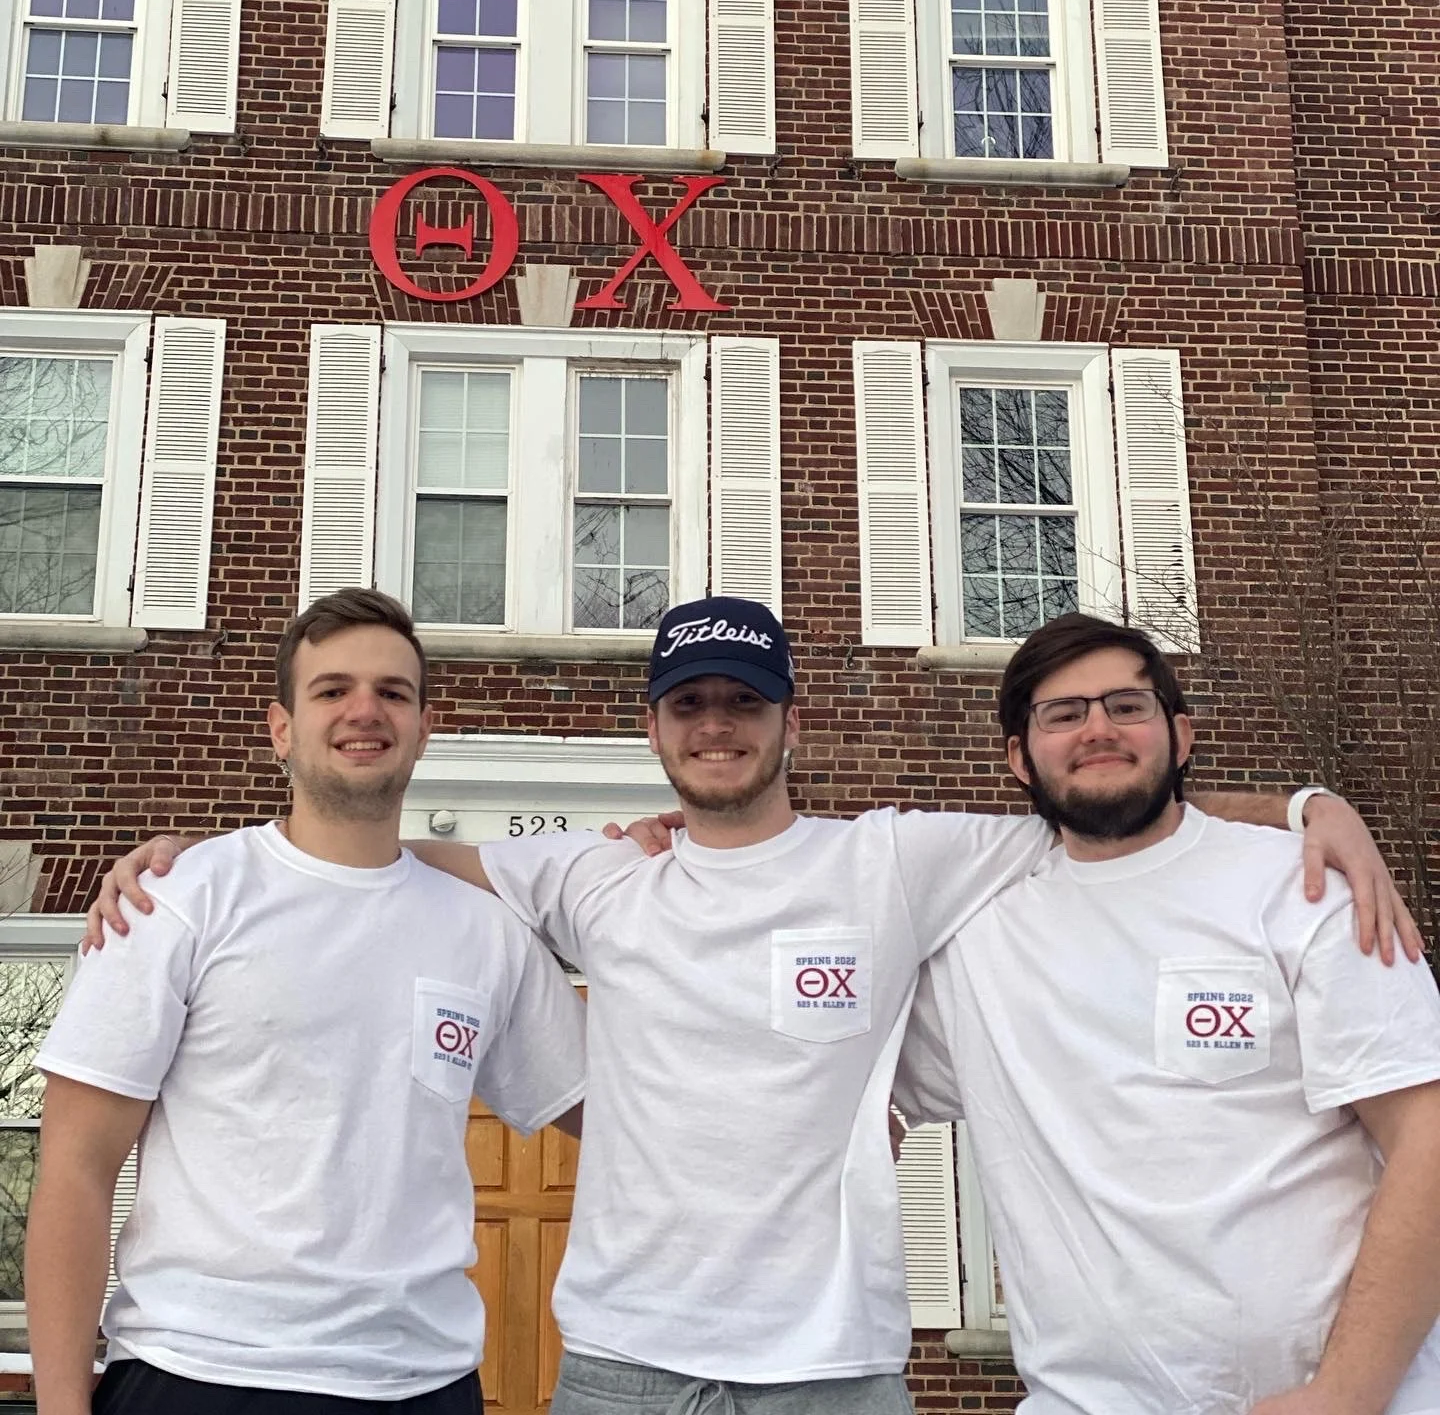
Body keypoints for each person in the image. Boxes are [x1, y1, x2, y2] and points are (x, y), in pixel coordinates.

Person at [86, 595, 1420, 1415]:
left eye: (743, 701)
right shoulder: (592, 872)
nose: (715, 725)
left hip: (833, 1368)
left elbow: (1111, 808)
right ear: (656, 728)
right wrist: (197, 856)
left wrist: (1310, 808)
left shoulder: (898, 859)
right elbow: (382, 847)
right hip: (616, 1359)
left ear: (790, 719)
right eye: (689, 704)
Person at [27, 590, 587, 1415]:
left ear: (425, 728)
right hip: (199, 1376)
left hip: (422, 1385)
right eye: (332, 690)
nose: (366, 710)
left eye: (393, 692)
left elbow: (619, 1112)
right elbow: (76, 1167)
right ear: (281, 727)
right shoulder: (180, 900)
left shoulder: (487, 934)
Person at [892, 611, 1440, 1415]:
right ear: (1020, 756)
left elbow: (1427, 1136)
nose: (1098, 729)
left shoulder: (1308, 886)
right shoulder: (974, 934)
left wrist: (1348, 1392)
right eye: (1064, 713)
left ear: (1179, 735)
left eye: (1127, 705)